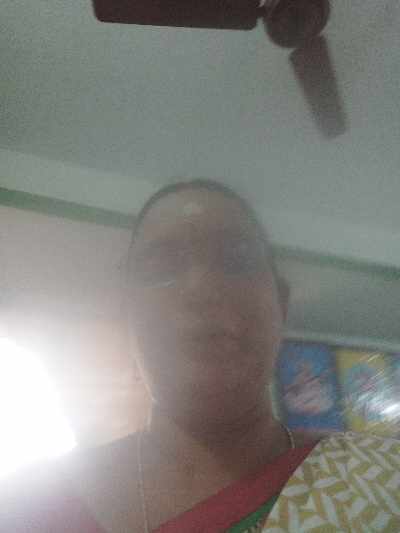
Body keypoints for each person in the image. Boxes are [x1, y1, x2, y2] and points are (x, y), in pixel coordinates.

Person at [1, 179, 400, 532]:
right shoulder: (25, 508)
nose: (203, 287)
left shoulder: (383, 480)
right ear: (126, 313)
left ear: (281, 304)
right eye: (162, 266)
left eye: (237, 261)